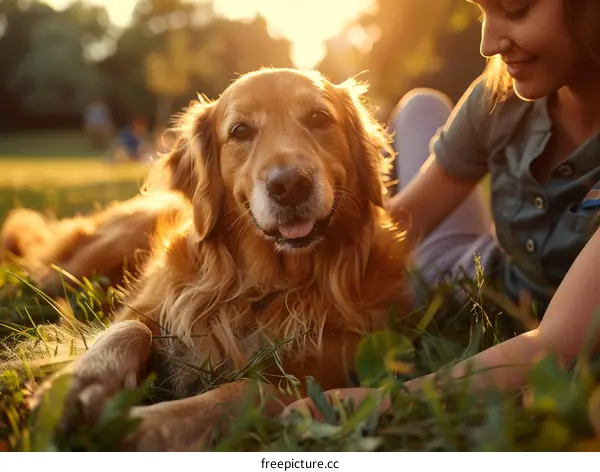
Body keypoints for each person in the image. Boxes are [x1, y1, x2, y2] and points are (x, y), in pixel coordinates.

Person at [284, 0, 600, 416]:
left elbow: (555, 348)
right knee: (421, 107)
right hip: (470, 277)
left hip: (519, 317)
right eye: (483, 13)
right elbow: (400, 226)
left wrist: (385, 401)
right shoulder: (500, 93)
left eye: (516, 10)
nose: (487, 44)